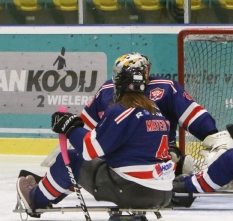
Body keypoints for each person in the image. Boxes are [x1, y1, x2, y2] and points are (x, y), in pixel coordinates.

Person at [17, 58, 176, 217]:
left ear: (119, 85)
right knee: (97, 163)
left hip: (134, 190)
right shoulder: (156, 111)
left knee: (74, 159)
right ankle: (48, 191)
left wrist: (70, 128)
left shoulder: (121, 111)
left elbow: (89, 150)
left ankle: (35, 199)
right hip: (164, 192)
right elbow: (129, 149)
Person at [80, 52, 220, 176]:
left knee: (174, 158)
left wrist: (214, 139)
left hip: (160, 155)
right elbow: (84, 125)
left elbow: (195, 117)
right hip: (121, 156)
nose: (146, 73)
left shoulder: (165, 87)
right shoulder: (105, 91)